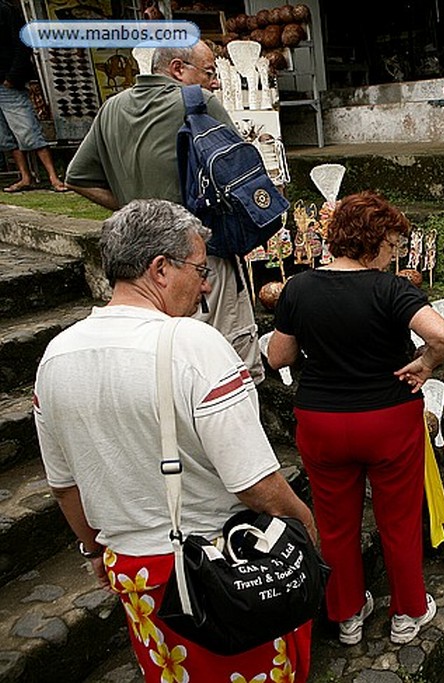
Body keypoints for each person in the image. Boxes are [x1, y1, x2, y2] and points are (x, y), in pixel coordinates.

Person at [34, 199, 318, 682]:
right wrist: (305, 528)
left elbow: (64, 486)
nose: (206, 284)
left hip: (135, 572)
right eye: (200, 268)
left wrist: (94, 550)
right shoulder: (194, 344)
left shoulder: (56, 357)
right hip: (219, 573)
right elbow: (255, 484)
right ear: (160, 269)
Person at [268, 190, 444, 646]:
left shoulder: (298, 287)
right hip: (388, 420)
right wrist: (426, 364)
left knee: (334, 524)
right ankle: (408, 612)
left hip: (322, 422)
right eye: (392, 246)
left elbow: (277, 357)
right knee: (399, 520)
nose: (394, 256)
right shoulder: (392, 289)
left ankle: (347, 614)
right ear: (373, 241)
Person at [65, 43, 265, 385]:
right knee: (225, 360)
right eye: (209, 73)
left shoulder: (112, 108)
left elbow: (77, 178)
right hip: (199, 256)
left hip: (136, 258)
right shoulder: (199, 103)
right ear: (177, 68)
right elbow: (240, 178)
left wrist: (137, 210)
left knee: (158, 358)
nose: (214, 83)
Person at [0, 0, 68, 193]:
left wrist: (13, 77)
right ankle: (25, 176)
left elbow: (22, 43)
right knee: (6, 136)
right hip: (6, 80)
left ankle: (53, 177)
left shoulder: (5, 10)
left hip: (8, 81)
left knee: (28, 130)